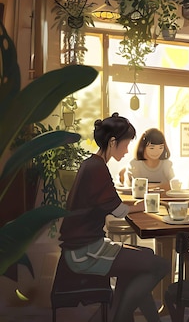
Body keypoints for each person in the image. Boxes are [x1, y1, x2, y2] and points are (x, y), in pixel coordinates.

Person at [59, 113, 169, 322]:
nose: (128, 150)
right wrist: (144, 206)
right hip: (85, 251)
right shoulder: (97, 168)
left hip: (87, 244)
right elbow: (119, 211)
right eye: (126, 144)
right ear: (113, 142)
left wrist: (136, 205)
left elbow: (114, 204)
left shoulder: (93, 163)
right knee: (160, 265)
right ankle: (119, 317)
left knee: (143, 256)